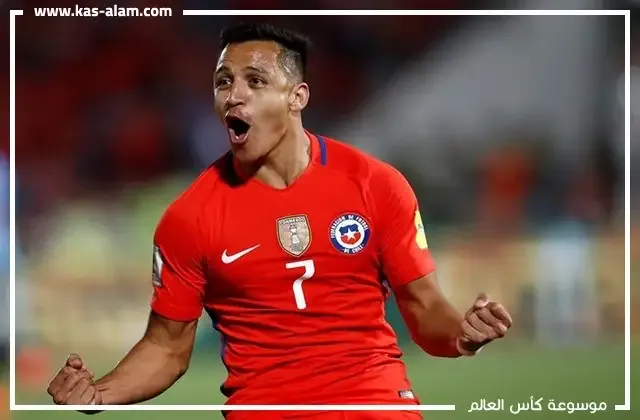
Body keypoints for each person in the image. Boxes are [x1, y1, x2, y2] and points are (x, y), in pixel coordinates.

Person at [47, 23, 513, 419]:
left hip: (373, 404)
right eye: (223, 82)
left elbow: (425, 310)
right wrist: (99, 393)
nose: (235, 95)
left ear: (297, 96)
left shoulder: (376, 185)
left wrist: (462, 333)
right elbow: (166, 348)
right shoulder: (189, 218)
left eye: (255, 81)